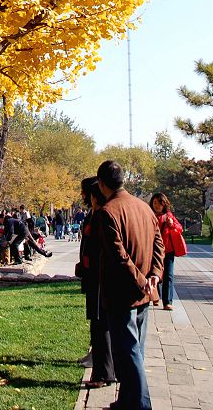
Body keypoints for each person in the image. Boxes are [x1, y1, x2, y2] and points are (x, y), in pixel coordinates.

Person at [96, 160, 164, 410]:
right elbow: (159, 245)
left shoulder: (108, 211)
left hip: (122, 293)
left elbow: (118, 255)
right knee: (134, 351)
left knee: (129, 352)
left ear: (102, 183)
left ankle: (140, 404)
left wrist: (143, 279)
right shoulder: (144, 208)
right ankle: (127, 400)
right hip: (144, 292)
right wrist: (154, 275)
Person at [76, 177, 116, 390]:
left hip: (100, 279)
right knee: (98, 325)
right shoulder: (95, 214)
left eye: (87, 194)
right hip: (93, 277)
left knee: (101, 326)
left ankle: (103, 372)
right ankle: (104, 368)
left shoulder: (102, 216)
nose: (84, 197)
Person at [150, 192, 180, 311]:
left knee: (168, 275)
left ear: (164, 204)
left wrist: (172, 225)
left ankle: (167, 302)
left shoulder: (168, 216)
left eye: (160, 203)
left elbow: (179, 228)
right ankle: (155, 296)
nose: (157, 206)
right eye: (155, 203)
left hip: (168, 250)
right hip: (153, 250)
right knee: (154, 273)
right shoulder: (149, 215)